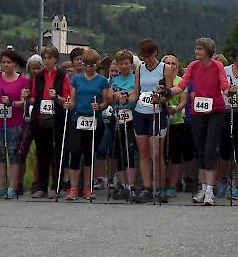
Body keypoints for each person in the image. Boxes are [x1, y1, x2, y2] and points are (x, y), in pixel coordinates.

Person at [161, 38, 229, 206]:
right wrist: (168, 92)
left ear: (208, 51)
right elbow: (182, 85)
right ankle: (203, 188)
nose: (196, 51)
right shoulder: (192, 66)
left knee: (210, 148)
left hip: (215, 111)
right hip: (197, 112)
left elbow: (224, 84)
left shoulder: (217, 66)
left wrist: (231, 91)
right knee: (200, 149)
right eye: (196, 48)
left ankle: (209, 192)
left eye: (200, 49)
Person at [124, 39, 174, 204]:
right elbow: (136, 92)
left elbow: (169, 92)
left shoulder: (164, 68)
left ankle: (160, 188)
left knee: (156, 154)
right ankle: (146, 188)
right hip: (140, 112)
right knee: (144, 153)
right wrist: (125, 99)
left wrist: (160, 98)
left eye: (148, 56)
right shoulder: (139, 68)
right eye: (143, 56)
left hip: (157, 113)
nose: (146, 59)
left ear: (155, 53)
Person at [63, 49, 109, 201]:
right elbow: (73, 100)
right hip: (77, 119)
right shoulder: (76, 79)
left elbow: (105, 101)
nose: (88, 68)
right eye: (86, 64)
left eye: (92, 65)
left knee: (89, 155)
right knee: (75, 154)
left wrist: (100, 107)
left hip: (94, 120)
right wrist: (68, 104)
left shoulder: (102, 81)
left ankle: (88, 188)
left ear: (97, 65)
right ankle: (74, 188)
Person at [0, 49, 30, 200]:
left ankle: (12, 186)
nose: (5, 65)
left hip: (15, 123)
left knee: (13, 154)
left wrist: (11, 103)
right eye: (3, 62)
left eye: (9, 62)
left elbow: (24, 102)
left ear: (15, 64)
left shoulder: (22, 80)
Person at [28, 46, 71, 199]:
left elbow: (66, 99)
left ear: (55, 59)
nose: (46, 61)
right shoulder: (38, 76)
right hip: (40, 118)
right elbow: (34, 98)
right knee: (42, 153)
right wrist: (26, 97)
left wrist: (56, 97)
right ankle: (41, 186)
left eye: (49, 58)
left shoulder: (63, 75)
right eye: (44, 58)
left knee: (56, 153)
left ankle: (56, 185)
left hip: (57, 118)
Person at [217, 43, 238, 200]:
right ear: (235, 56)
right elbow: (218, 89)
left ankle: (237, 184)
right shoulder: (225, 71)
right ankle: (223, 180)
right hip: (225, 111)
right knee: (224, 150)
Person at [110, 50, 139, 200]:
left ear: (131, 64)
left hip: (132, 118)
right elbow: (110, 97)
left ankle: (131, 185)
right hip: (118, 119)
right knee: (119, 153)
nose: (123, 66)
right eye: (121, 63)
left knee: (131, 152)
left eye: (126, 63)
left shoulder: (135, 78)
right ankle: (122, 185)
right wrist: (114, 97)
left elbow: (136, 95)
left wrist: (125, 97)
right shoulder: (115, 80)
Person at [161, 55, 189, 198]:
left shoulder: (180, 81)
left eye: (173, 63)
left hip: (177, 122)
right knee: (161, 155)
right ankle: (161, 182)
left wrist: (175, 109)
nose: (171, 66)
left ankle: (173, 184)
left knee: (175, 155)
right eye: (167, 63)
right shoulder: (160, 81)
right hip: (161, 121)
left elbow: (184, 100)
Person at [18, 54, 42, 195]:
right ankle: (18, 183)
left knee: (39, 153)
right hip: (26, 121)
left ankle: (36, 182)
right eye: (33, 68)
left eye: (38, 68)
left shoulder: (44, 82)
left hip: (39, 120)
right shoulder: (26, 82)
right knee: (22, 152)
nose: (35, 71)